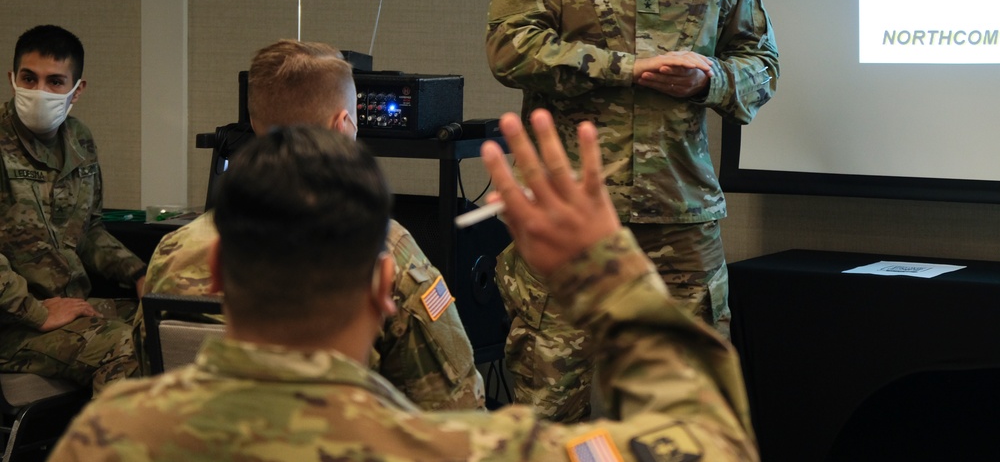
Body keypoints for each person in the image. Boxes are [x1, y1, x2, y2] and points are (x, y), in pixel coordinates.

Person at [50, 112, 758, 461]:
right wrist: (609, 274)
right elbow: (710, 440)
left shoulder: (107, 436)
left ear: (216, 274)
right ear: (384, 283)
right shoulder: (455, 448)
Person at [486, 0, 779, 421]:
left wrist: (710, 79)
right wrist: (626, 68)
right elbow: (510, 48)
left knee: (691, 408)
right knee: (548, 405)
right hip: (571, 214)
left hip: (679, 215)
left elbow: (761, 60)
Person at [134, 39, 484, 410]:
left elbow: (151, 372)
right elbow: (457, 409)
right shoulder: (385, 249)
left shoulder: (175, 249)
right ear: (343, 124)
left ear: (254, 123)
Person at [0, 25, 146, 393]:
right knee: (125, 346)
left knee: (169, 325)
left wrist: (140, 274)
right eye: (29, 78)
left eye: (55, 82)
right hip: (12, 323)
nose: (39, 91)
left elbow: (89, 231)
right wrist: (36, 312)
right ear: (11, 79)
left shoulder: (79, 139)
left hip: (68, 306)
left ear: (76, 90)